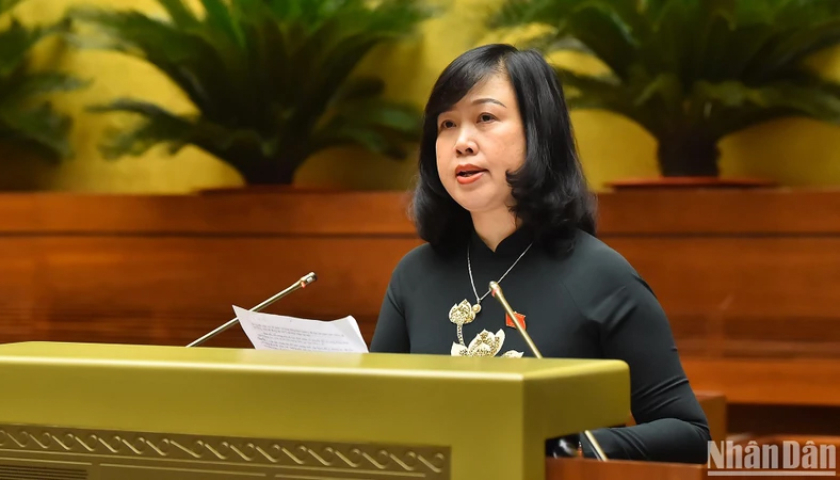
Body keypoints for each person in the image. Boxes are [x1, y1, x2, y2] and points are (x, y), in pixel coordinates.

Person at [369, 43, 711, 464]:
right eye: (447, 124)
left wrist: (573, 448)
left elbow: (690, 435)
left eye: (485, 118)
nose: (462, 142)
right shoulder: (413, 275)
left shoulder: (601, 275)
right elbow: (376, 415)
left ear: (539, 132)